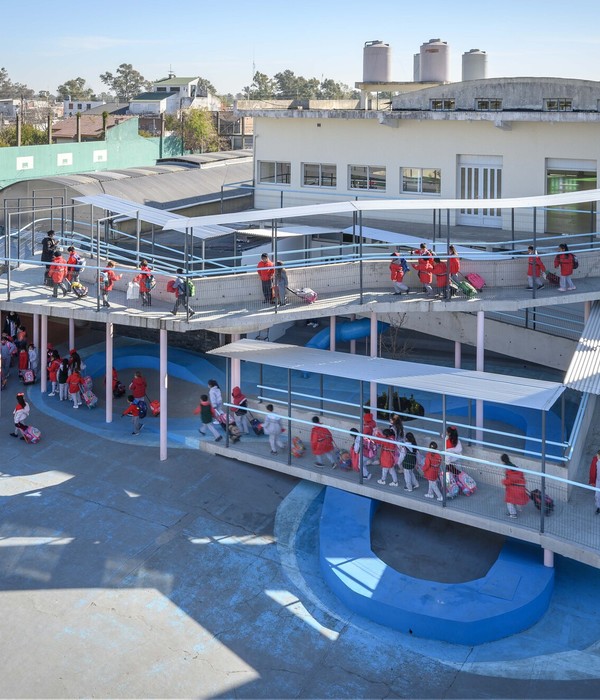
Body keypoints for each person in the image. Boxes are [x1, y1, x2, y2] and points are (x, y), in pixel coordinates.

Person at [500, 454, 528, 518]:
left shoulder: (508, 471)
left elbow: (508, 480)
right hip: (521, 488)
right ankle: (519, 508)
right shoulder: (515, 468)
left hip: (513, 489)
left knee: (509, 501)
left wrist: (503, 481)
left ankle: (513, 514)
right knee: (517, 499)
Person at [588, 449, 600, 514]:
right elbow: (592, 471)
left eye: (598, 455)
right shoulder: (596, 460)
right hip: (598, 480)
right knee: (597, 495)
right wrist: (593, 481)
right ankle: (599, 507)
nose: (596, 456)